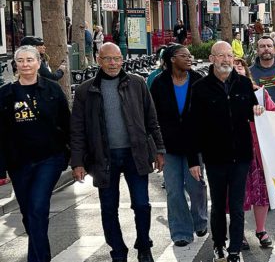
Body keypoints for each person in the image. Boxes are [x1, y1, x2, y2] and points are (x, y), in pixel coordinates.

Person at [70, 42, 165, 262]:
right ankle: (118, 251)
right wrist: (77, 162)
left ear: (122, 60)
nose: (113, 63)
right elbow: (77, 129)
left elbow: (152, 119)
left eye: (117, 58)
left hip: (136, 153)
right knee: (108, 208)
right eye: (107, 59)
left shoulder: (137, 83)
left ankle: (144, 245)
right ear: (98, 60)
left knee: (142, 204)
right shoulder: (86, 90)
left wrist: (159, 149)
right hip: (103, 157)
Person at [187, 41, 265, 262]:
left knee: (238, 206)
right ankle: (219, 245)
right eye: (221, 56)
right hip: (215, 158)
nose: (226, 60)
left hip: (241, 157)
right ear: (212, 59)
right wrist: (194, 160)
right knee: (219, 205)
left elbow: (252, 114)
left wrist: (258, 110)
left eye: (230, 56)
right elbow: (193, 127)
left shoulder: (243, 84)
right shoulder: (200, 88)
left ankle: (234, 249)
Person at [0, 45, 70, 262]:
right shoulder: (5, 94)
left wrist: (74, 157)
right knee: (29, 214)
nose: (25, 64)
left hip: (49, 159)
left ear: (38, 63)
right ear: (15, 65)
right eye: (20, 61)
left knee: (38, 207)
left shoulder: (52, 90)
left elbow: (67, 124)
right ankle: (41, 253)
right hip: (18, 162)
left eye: (30, 60)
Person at [149, 45, 208, 247]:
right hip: (169, 146)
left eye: (190, 55)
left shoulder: (199, 80)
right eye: (184, 56)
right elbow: (152, 117)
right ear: (172, 59)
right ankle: (181, 232)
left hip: (196, 145)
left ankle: (200, 220)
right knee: (174, 190)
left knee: (196, 186)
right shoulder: (159, 83)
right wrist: (156, 148)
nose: (189, 58)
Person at [232, 57, 275, 250]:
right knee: (237, 194)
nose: (238, 68)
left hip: (258, 152)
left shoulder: (260, 93)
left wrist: (263, 112)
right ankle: (238, 232)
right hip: (235, 152)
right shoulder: (225, 93)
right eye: (234, 66)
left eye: (241, 65)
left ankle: (261, 230)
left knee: (261, 192)